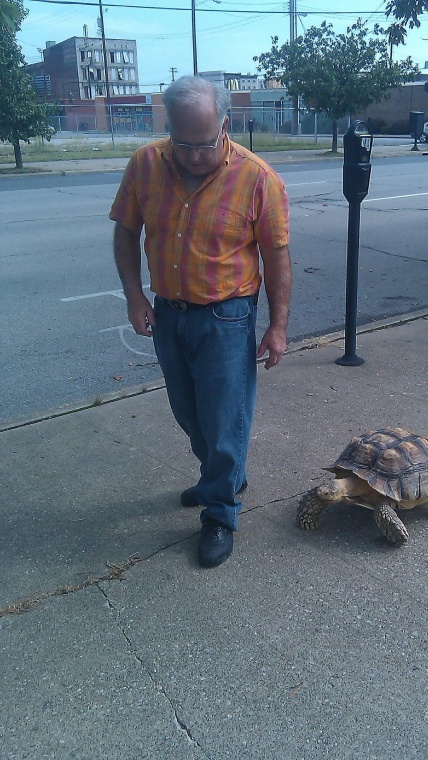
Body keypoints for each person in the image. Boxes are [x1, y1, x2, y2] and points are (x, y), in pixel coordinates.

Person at [110, 75, 291, 568]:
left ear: (226, 125)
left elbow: (276, 257)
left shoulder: (258, 178)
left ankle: (220, 512)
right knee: (189, 413)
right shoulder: (146, 165)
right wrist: (133, 296)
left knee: (224, 419)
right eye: (182, 142)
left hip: (227, 317)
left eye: (204, 143)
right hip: (170, 314)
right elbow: (126, 232)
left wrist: (277, 326)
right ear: (169, 127)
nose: (192, 155)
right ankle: (224, 475)